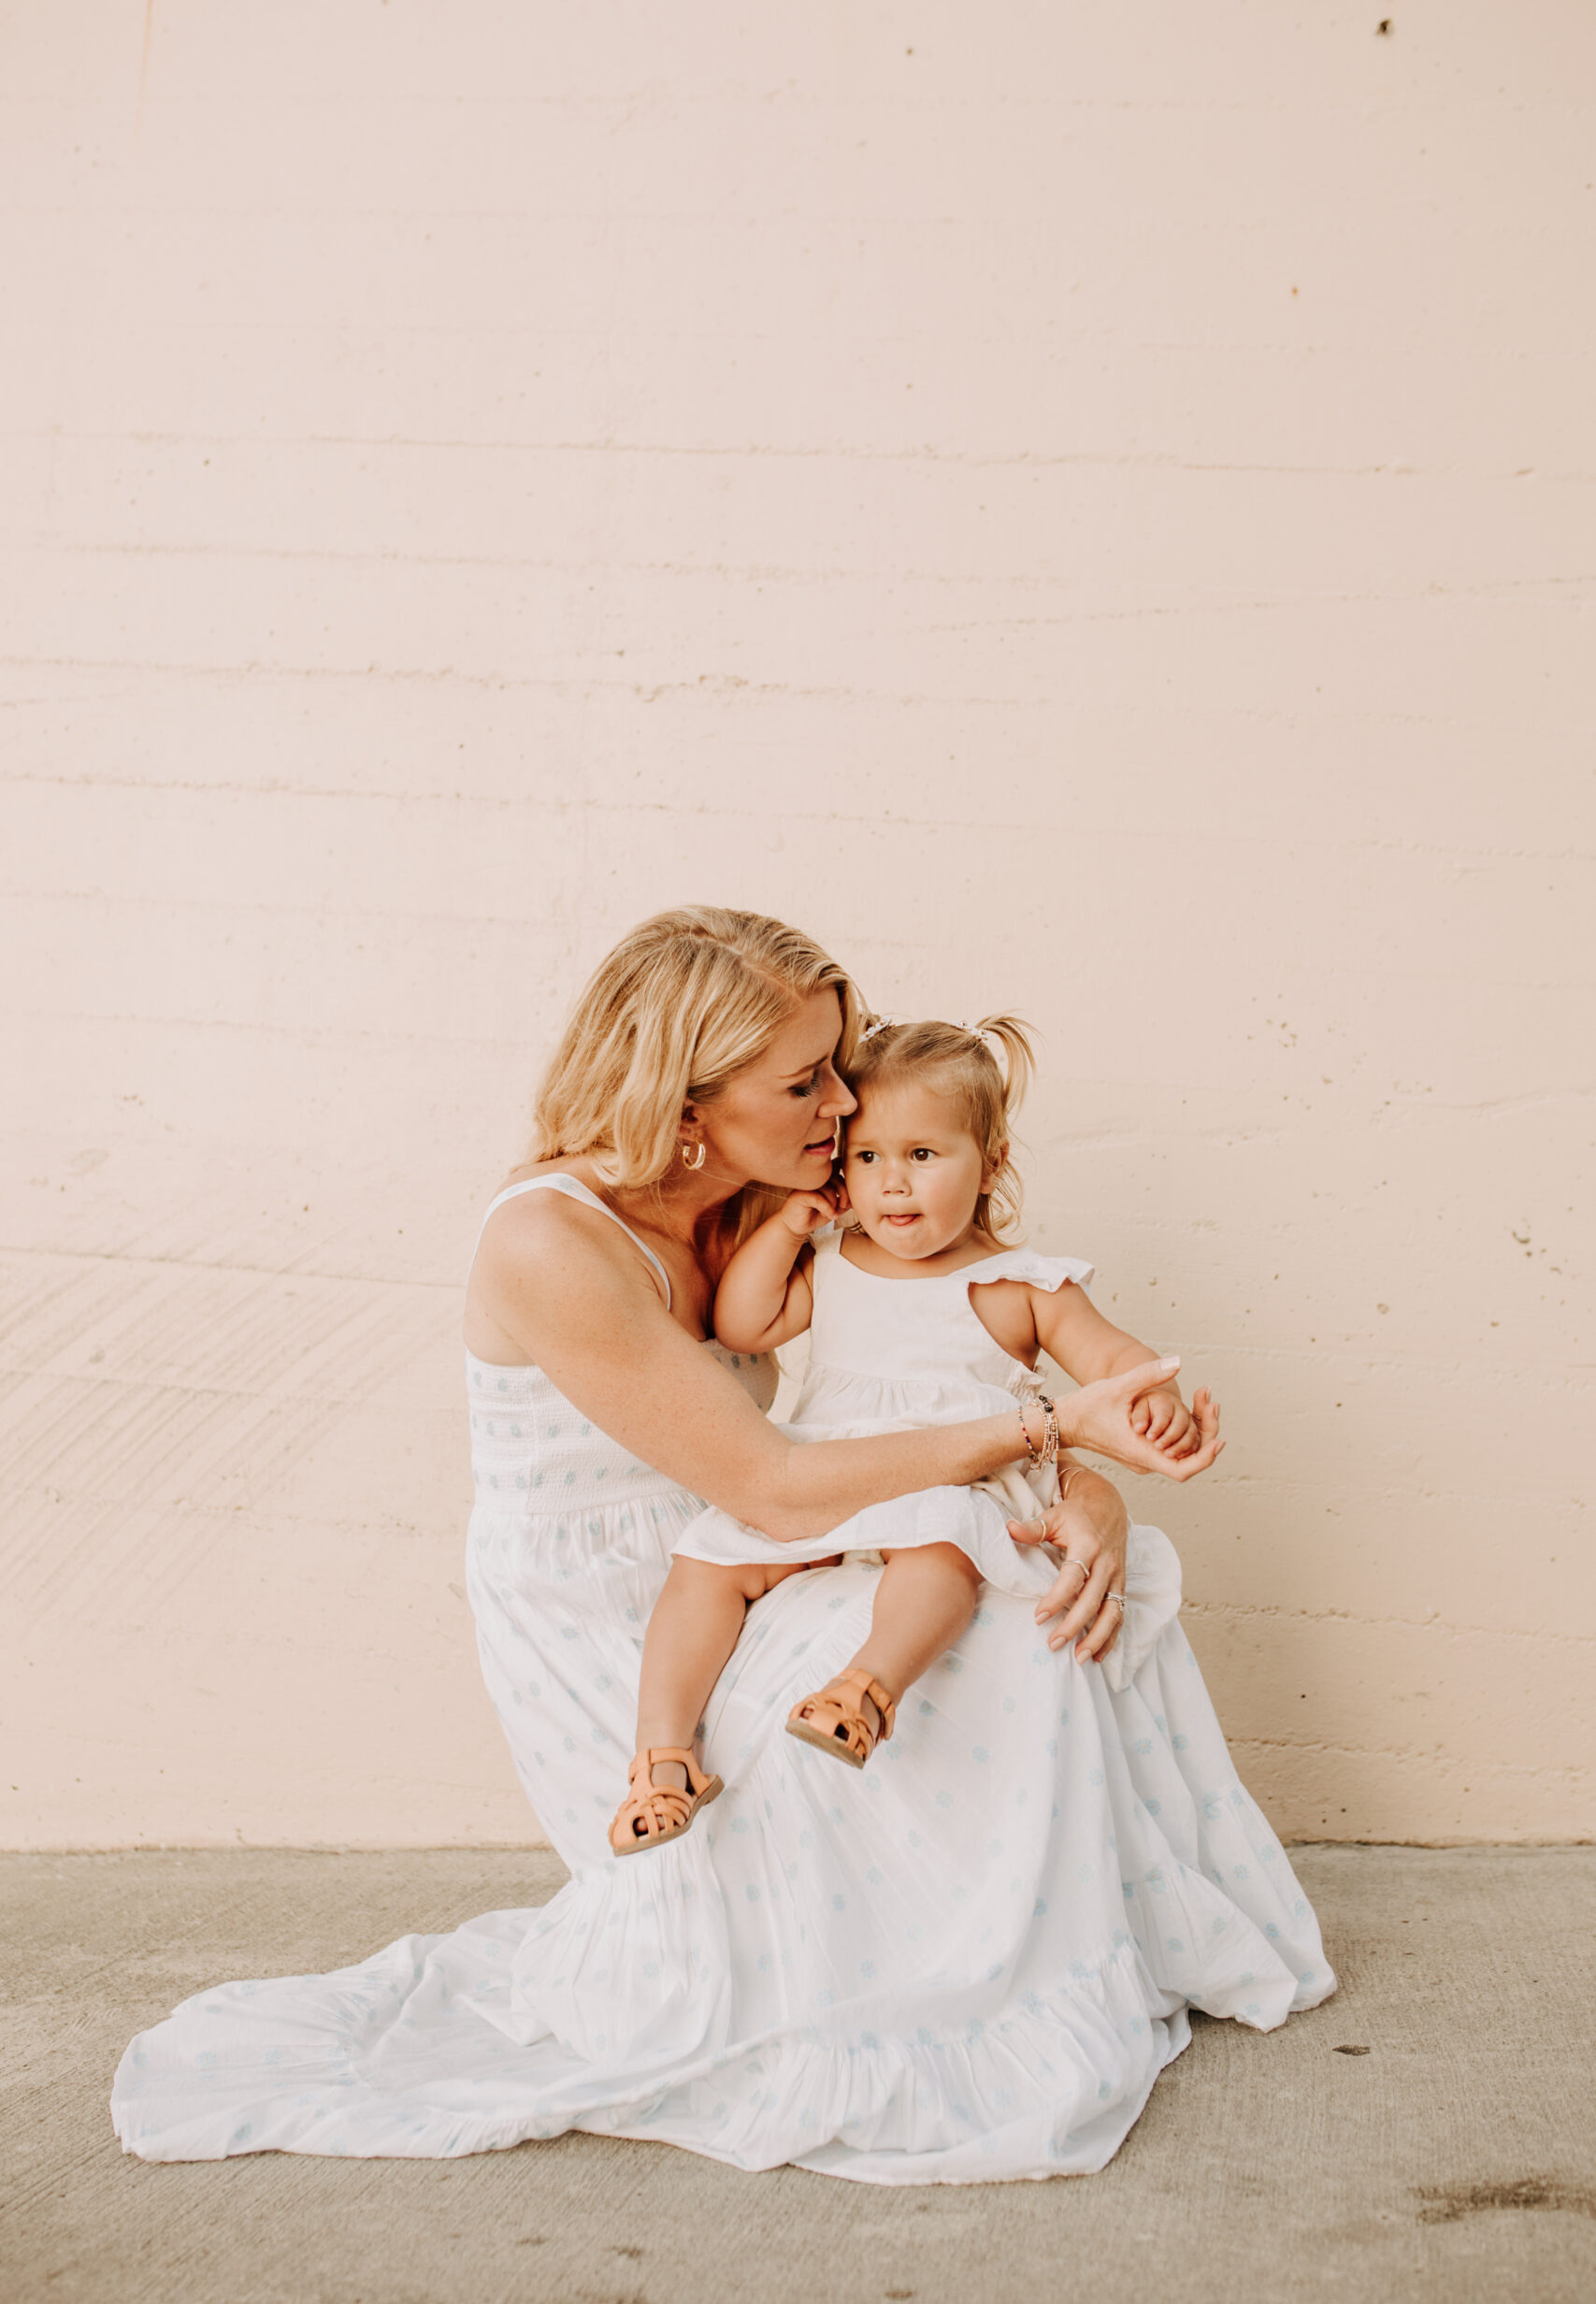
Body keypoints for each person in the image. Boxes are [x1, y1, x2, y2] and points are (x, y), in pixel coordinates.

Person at [112, 907, 1333, 2183]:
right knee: (939, 1668)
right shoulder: (549, 1238)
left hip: (799, 1527)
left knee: (1028, 1624)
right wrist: (1040, 1432)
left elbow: (937, 1364)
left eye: (839, 1064)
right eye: (804, 1080)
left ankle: (1034, 1946)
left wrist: (1085, 1492)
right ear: (683, 1096)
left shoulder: (796, 1192)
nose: (842, 1103)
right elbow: (776, 1476)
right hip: (628, 1590)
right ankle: (791, 1858)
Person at [611, 1012, 1215, 1857]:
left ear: (990, 1164)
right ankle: (662, 1758)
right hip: (834, 1476)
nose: (892, 1183)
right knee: (706, 1565)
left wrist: (1153, 1394)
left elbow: (1107, 1353)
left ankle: (864, 1691)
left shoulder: (1020, 1285)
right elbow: (743, 1326)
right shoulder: (831, 1259)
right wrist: (789, 1226)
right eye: (867, 1158)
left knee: (944, 1555)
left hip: (948, 1484)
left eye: (922, 1156)